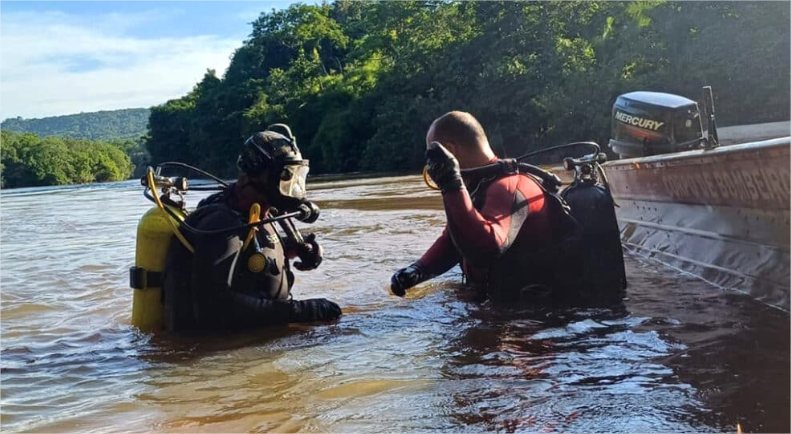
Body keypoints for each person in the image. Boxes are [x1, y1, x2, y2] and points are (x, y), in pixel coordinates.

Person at [390, 111, 584, 303]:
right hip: (497, 302)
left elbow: (487, 248)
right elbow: (453, 242)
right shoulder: (481, 186)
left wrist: (451, 184)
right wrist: (417, 271)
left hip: (531, 315)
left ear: (449, 150)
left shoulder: (508, 186)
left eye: (433, 156)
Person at [163, 124, 341, 331]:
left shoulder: (258, 213)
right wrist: (303, 312)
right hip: (224, 347)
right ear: (258, 175)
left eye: (296, 176)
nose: (292, 186)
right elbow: (214, 310)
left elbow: (248, 253)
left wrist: (291, 249)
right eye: (285, 176)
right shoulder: (221, 224)